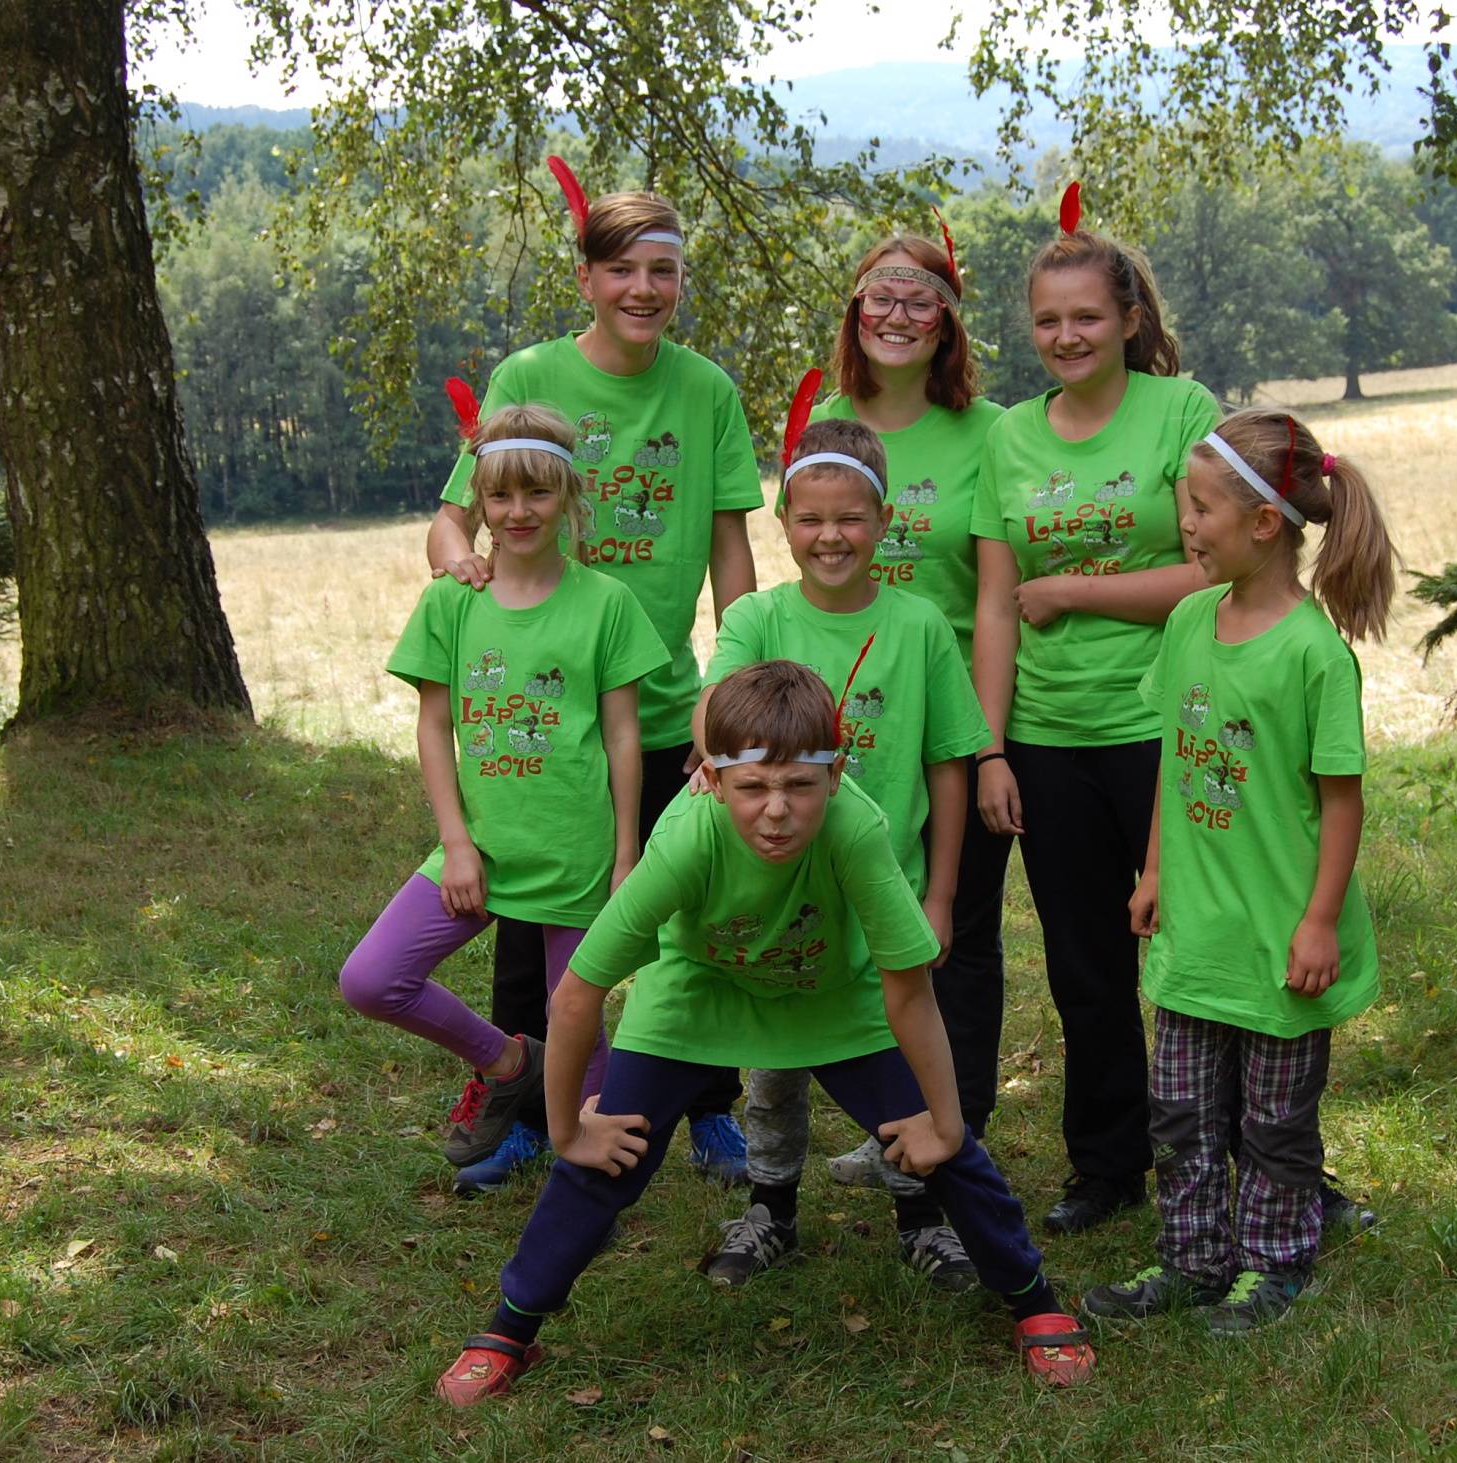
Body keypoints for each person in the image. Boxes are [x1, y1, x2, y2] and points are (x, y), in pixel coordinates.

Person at [436, 660, 1095, 1406]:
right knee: (610, 1157)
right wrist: (566, 1130)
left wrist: (944, 1124)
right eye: (752, 787)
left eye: (799, 786)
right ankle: (508, 1328)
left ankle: (1034, 1299)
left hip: (830, 997)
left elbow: (909, 991)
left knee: (947, 1148)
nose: (776, 811)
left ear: (836, 774)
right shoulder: (687, 838)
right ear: (714, 780)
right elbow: (578, 992)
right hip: (698, 994)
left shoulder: (856, 828)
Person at [427, 160, 760, 1184]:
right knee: (530, 925)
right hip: (548, 723)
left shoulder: (705, 391)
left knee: (689, 912)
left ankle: (707, 1105)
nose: (643, 290)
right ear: (586, 279)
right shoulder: (529, 376)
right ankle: (535, 1108)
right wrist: (461, 561)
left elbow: (730, 550)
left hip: (661, 713)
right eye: (622, 271)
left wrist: (734, 684)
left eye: (663, 271)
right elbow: (452, 518)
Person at [1083, 408, 1396, 1334]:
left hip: (1279, 939)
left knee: (1274, 1122)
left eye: (1201, 508)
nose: (1185, 523)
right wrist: (1152, 870)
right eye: (1185, 504)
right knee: (1180, 1112)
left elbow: (1342, 801)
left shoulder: (1312, 654)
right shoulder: (1189, 620)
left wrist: (1319, 921)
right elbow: (1177, 763)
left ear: (1264, 522)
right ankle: (1191, 1260)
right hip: (1198, 933)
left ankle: (1274, 1264)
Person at [693, 416, 990, 1291]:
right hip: (777, 893)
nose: (832, 536)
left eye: (851, 517)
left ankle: (921, 1215)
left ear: (885, 520)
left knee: (896, 1051)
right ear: (784, 520)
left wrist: (939, 895)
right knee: (774, 1059)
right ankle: (770, 1207)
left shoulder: (921, 625)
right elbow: (713, 711)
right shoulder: (757, 617)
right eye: (812, 518)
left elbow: (948, 763)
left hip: (882, 890)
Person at [340, 403, 668, 1193]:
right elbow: (434, 727)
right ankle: (508, 1062)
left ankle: (587, 1173)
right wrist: (457, 844)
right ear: (479, 502)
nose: (519, 512)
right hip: (481, 849)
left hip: (577, 851)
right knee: (372, 978)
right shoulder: (453, 602)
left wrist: (627, 854)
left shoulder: (607, 603)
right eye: (500, 495)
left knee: (575, 1015)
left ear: (570, 496)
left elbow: (624, 736)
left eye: (538, 493)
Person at [968, 198, 1218, 1233]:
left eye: (1085, 316)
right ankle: (1108, 1165)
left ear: (1127, 319)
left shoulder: (1180, 411)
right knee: (1084, 965)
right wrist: (989, 748)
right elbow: (995, 604)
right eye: (1047, 320)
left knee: (1204, 949)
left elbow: (1213, 571)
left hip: (1169, 721)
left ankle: (1240, 1152)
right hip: (1048, 735)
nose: (1065, 336)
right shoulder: (1010, 437)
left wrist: (1073, 590)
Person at [808, 230, 1014, 1200]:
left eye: (919, 299)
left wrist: (987, 745)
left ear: (948, 321)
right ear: (855, 312)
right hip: (854, 726)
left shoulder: (989, 432)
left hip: (956, 720)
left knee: (954, 932)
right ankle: (891, 1119)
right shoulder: (824, 421)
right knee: (866, 927)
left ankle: (956, 1131)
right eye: (879, 298)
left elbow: (993, 596)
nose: (896, 316)